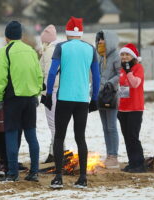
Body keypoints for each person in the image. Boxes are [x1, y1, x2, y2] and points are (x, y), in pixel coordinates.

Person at [46, 16, 100, 189]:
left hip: (64, 98)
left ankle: (58, 177)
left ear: (67, 32)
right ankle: (83, 178)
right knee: (80, 138)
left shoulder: (61, 47)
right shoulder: (90, 49)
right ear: (81, 32)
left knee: (59, 137)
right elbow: (96, 77)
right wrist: (95, 98)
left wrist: (48, 93)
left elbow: (53, 72)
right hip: (82, 99)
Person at [0, 21, 43, 182]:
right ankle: (34, 172)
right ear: (21, 35)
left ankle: (13, 173)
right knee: (31, 135)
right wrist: (36, 93)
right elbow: (39, 75)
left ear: (6, 36)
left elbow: (1, 79)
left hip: (13, 99)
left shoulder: (5, 51)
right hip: (30, 99)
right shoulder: (30, 51)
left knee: (11, 135)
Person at [118, 43, 146, 173]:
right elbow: (123, 90)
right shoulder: (122, 69)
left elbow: (135, 84)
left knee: (133, 137)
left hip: (135, 108)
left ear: (133, 56)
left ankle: (139, 164)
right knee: (127, 137)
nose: (124, 57)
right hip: (123, 109)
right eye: (122, 54)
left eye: (127, 54)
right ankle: (132, 163)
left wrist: (129, 72)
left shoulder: (138, 68)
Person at [95, 30, 121, 168]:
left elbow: (120, 74)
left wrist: (109, 83)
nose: (100, 42)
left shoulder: (116, 56)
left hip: (111, 96)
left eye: (102, 40)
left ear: (109, 40)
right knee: (105, 128)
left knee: (112, 127)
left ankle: (114, 156)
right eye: (98, 40)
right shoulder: (100, 57)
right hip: (100, 96)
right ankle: (109, 154)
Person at [39, 24, 61, 163]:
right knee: (58, 124)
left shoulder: (48, 52)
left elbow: (47, 73)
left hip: (50, 91)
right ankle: (55, 151)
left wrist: (44, 91)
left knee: (53, 125)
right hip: (58, 91)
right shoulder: (59, 50)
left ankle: (56, 154)